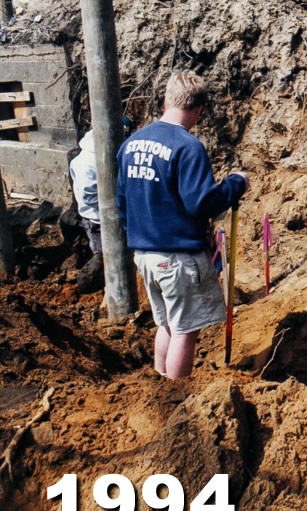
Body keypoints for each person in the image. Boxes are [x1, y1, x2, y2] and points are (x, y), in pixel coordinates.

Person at [117, 70, 249, 379]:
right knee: (186, 331)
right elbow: (201, 203)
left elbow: (122, 203)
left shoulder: (132, 143)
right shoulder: (188, 147)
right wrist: (235, 184)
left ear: (166, 100)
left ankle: (161, 385)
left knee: (166, 323)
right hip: (177, 258)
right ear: (199, 110)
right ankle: (176, 395)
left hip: (145, 254)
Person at [69, 129, 105, 293]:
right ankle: (98, 289)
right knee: (103, 259)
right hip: (98, 220)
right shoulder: (90, 162)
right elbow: (90, 196)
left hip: (91, 217)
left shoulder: (81, 158)